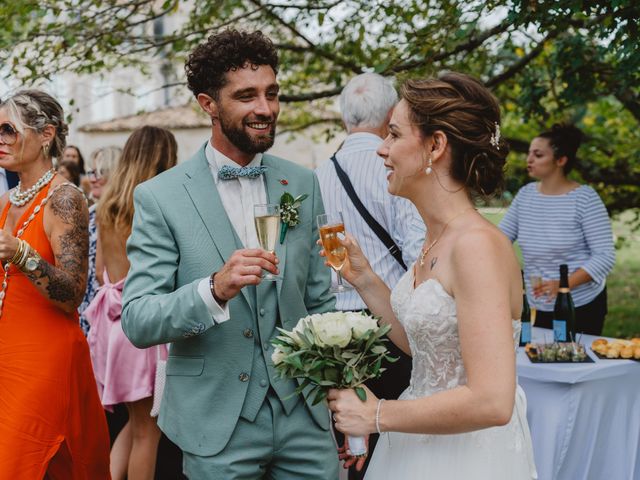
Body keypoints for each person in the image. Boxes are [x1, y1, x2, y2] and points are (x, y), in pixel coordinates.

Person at [121, 29, 339, 479]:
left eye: (271, 94)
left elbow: (320, 301)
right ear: (208, 104)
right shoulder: (160, 197)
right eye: (246, 96)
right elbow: (139, 319)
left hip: (305, 416)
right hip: (215, 422)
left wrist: (339, 396)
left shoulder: (301, 184)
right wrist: (214, 290)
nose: (265, 109)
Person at [326, 72, 537, 479]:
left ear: (435, 146)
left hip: (466, 457)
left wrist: (379, 414)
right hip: (415, 441)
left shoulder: (477, 246)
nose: (381, 150)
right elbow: (424, 344)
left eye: (393, 135)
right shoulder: (434, 238)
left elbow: (493, 401)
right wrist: (365, 278)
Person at [315, 72, 424, 479]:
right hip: (391, 326)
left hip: (335, 330)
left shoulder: (317, 175)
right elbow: (417, 252)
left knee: (354, 444)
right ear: (389, 116)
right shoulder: (395, 167)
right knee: (396, 438)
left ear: (346, 117)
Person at [0, 89, 110, 477]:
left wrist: (21, 254)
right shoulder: (6, 202)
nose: (1, 139)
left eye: (9, 129)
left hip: (44, 359)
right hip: (8, 355)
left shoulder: (64, 198)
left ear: (46, 134)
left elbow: (72, 294)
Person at [85, 127, 177, 480]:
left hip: (111, 327)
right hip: (143, 330)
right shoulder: (153, 206)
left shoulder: (107, 206)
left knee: (132, 425)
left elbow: (99, 275)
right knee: (147, 432)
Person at [499, 124, 615, 335]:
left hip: (579, 305)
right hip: (536, 304)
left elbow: (605, 257)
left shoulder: (585, 199)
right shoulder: (525, 196)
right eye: (529, 153)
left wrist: (562, 285)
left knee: (573, 362)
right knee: (537, 362)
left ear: (561, 161)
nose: (529, 159)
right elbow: (499, 239)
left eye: (538, 154)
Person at [78, 145, 122, 335]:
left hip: (109, 310)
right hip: (85, 308)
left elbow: (101, 273)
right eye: (92, 172)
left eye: (100, 172)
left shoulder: (122, 216)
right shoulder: (91, 213)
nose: (93, 179)